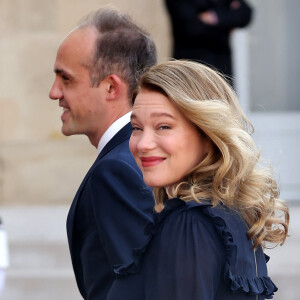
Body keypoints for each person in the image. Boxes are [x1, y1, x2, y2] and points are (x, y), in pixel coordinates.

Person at [106, 60, 289, 299]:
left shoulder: (189, 225)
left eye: (163, 126)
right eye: (137, 128)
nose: (143, 144)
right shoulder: (227, 215)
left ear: (208, 133)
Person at [48, 7, 157, 300]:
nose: (54, 92)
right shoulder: (133, 155)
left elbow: (141, 287)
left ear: (111, 87)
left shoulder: (117, 170)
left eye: (66, 79)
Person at [164, 0, 253, 84]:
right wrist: (226, 23)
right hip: (191, 67)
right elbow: (191, 27)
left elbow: (245, 13)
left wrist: (215, 16)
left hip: (222, 66)